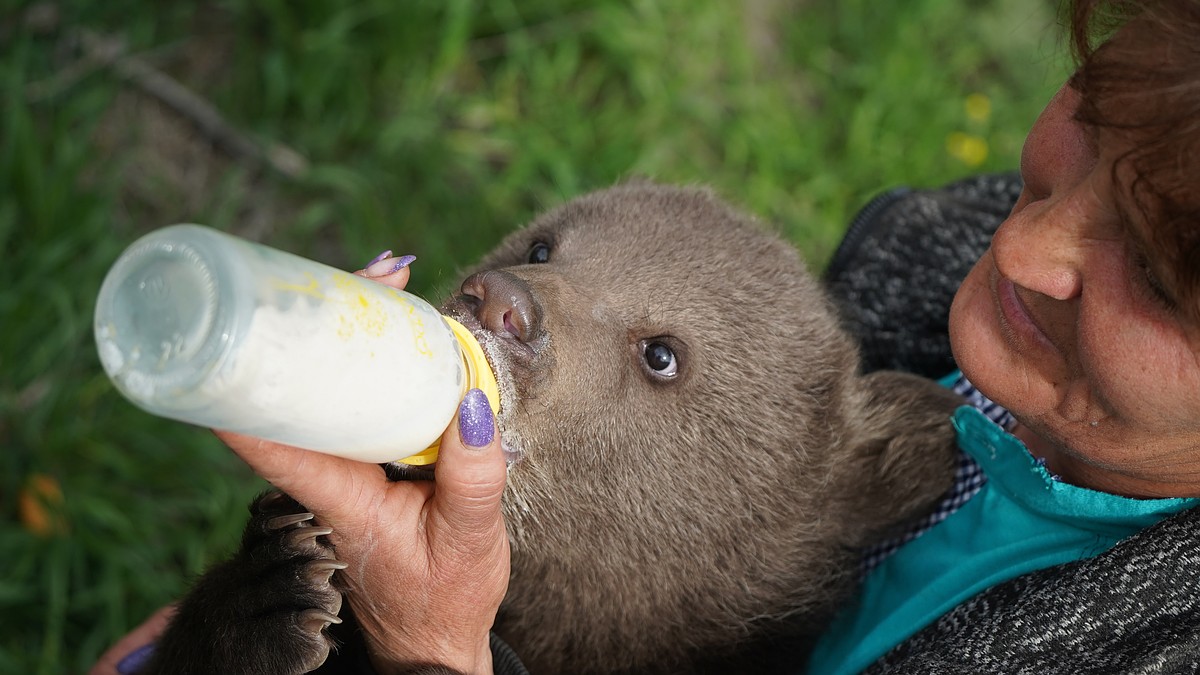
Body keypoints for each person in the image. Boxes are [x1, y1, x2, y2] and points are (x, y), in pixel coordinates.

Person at [96, 0, 1200, 672]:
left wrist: (433, 651)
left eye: (1150, 270)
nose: (1025, 246)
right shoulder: (963, 253)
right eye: (1093, 122)